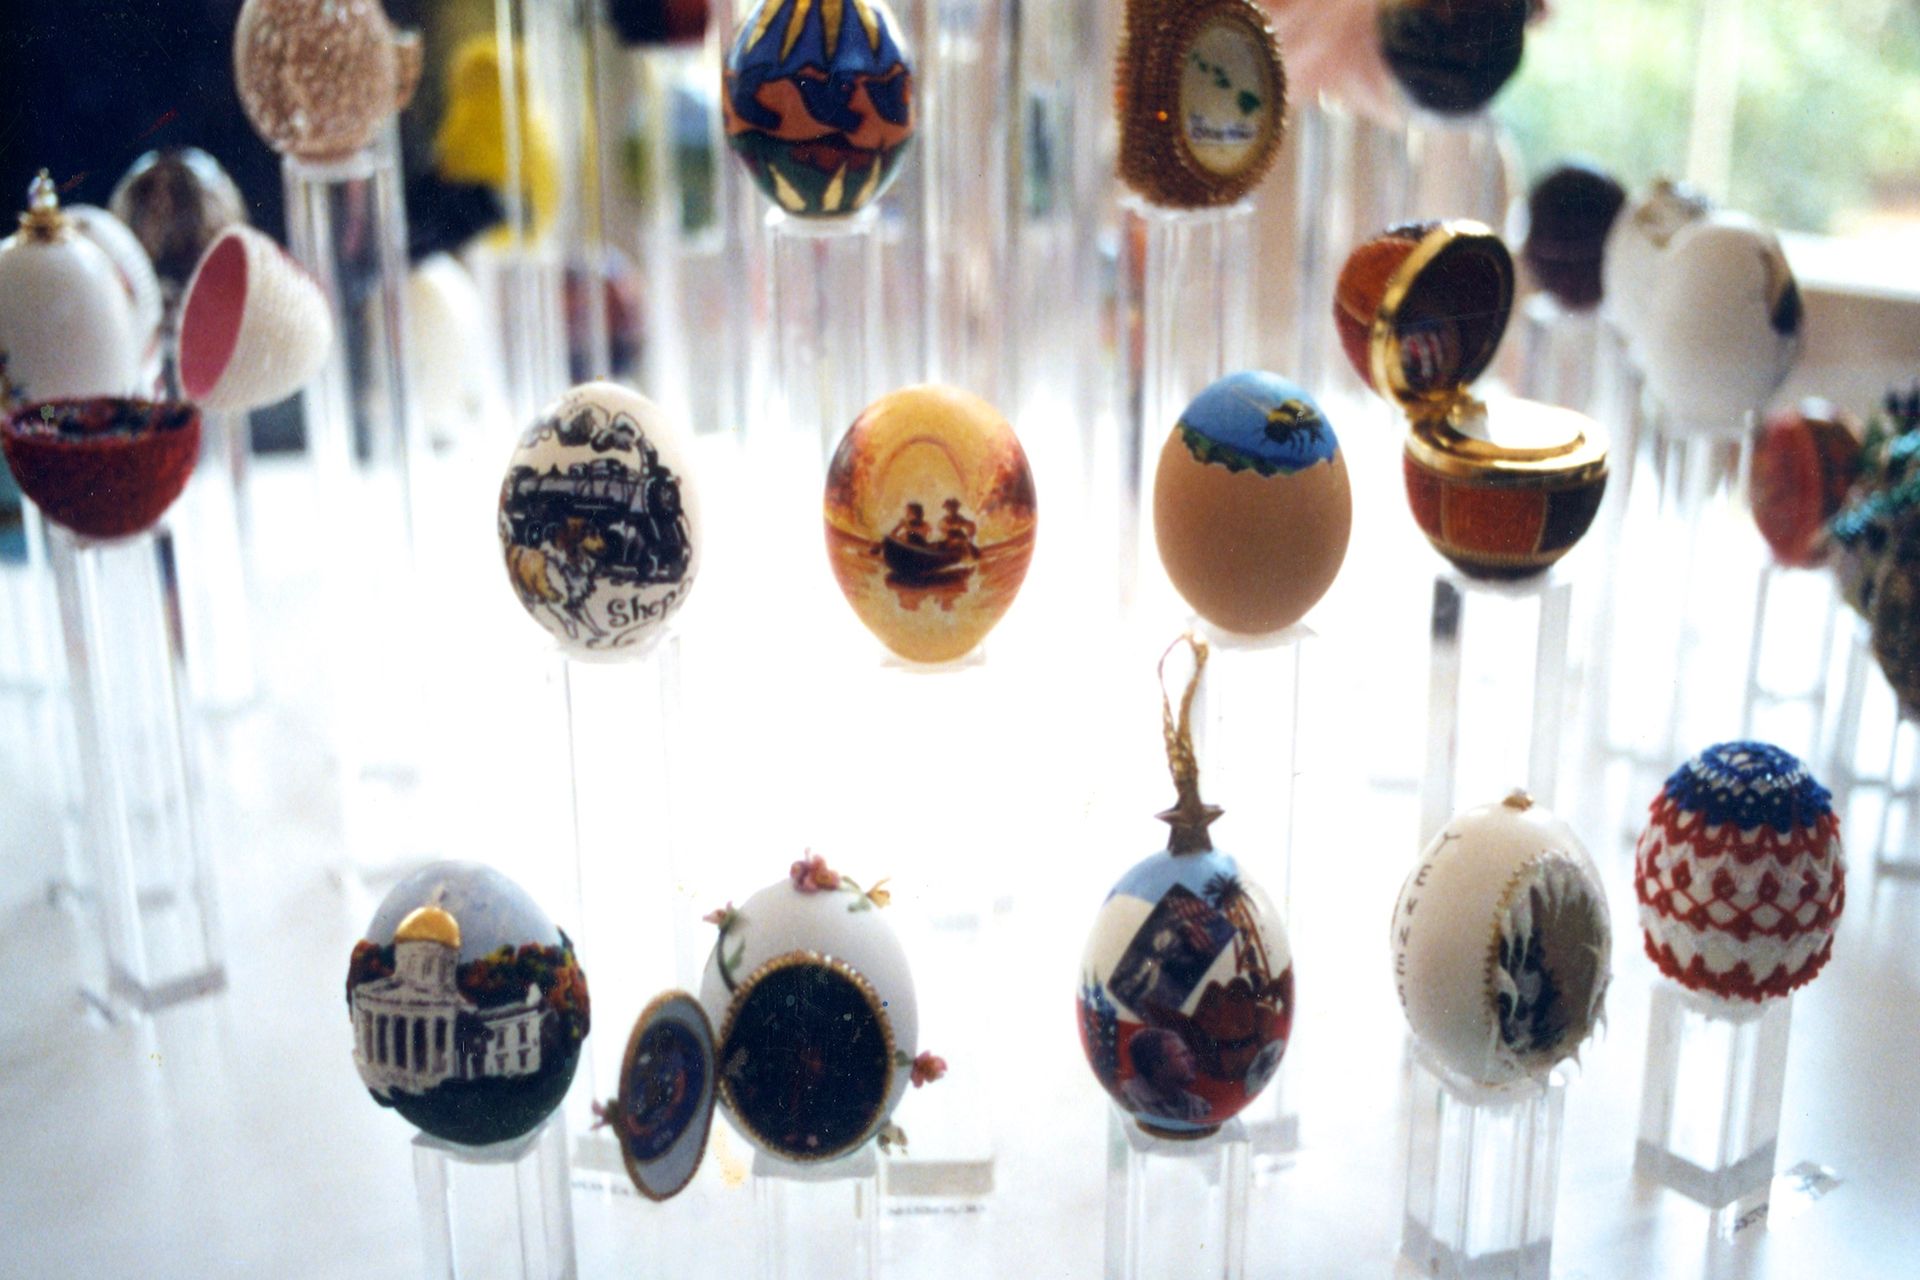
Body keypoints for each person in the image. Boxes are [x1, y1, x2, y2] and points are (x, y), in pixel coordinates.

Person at [1119, 1027, 1211, 1124]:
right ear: (1157, 1065)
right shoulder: (1127, 1095)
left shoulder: (1199, 1105)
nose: (1192, 1060)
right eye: (1182, 1055)